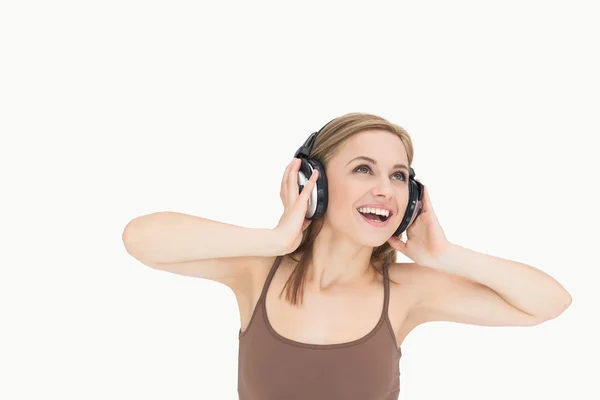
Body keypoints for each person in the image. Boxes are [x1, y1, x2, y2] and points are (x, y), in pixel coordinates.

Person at [122, 112, 572, 400]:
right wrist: (274, 241)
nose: (385, 188)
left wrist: (448, 256)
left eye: (399, 176)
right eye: (363, 169)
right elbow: (140, 238)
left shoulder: (405, 292)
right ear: (313, 185)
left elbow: (550, 302)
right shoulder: (257, 271)